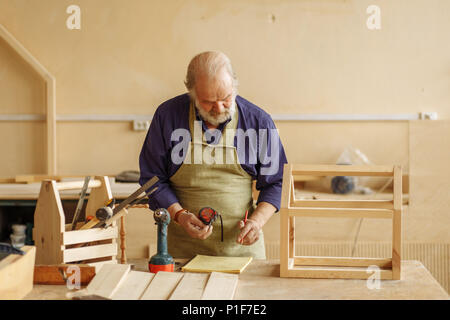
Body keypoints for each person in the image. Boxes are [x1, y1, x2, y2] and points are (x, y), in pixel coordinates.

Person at [139, 51, 287, 259]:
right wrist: (179, 215)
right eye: (208, 101)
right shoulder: (168, 116)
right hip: (183, 251)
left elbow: (277, 182)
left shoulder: (258, 122)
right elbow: (152, 179)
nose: (218, 108)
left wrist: (256, 222)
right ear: (191, 92)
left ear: (234, 86)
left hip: (242, 253)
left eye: (226, 98)